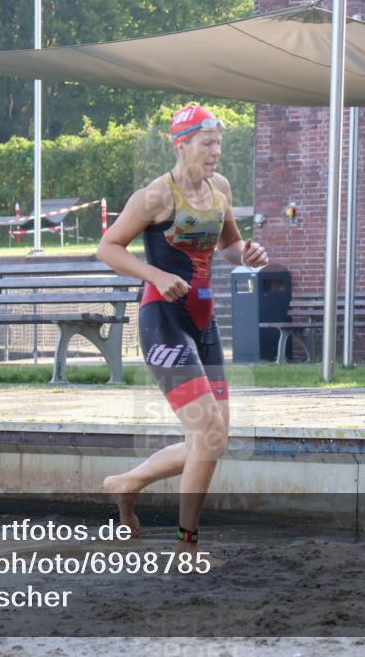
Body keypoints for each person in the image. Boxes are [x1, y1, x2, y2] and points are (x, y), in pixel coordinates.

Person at [97, 104, 269, 553]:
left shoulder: (221, 188)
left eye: (218, 143)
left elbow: (229, 246)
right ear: (182, 144)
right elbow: (108, 248)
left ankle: (127, 483)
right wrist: (153, 275)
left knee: (213, 440)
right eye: (207, 143)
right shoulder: (155, 196)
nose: (215, 152)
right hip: (164, 321)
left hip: (204, 323)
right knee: (207, 432)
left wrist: (246, 254)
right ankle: (186, 543)